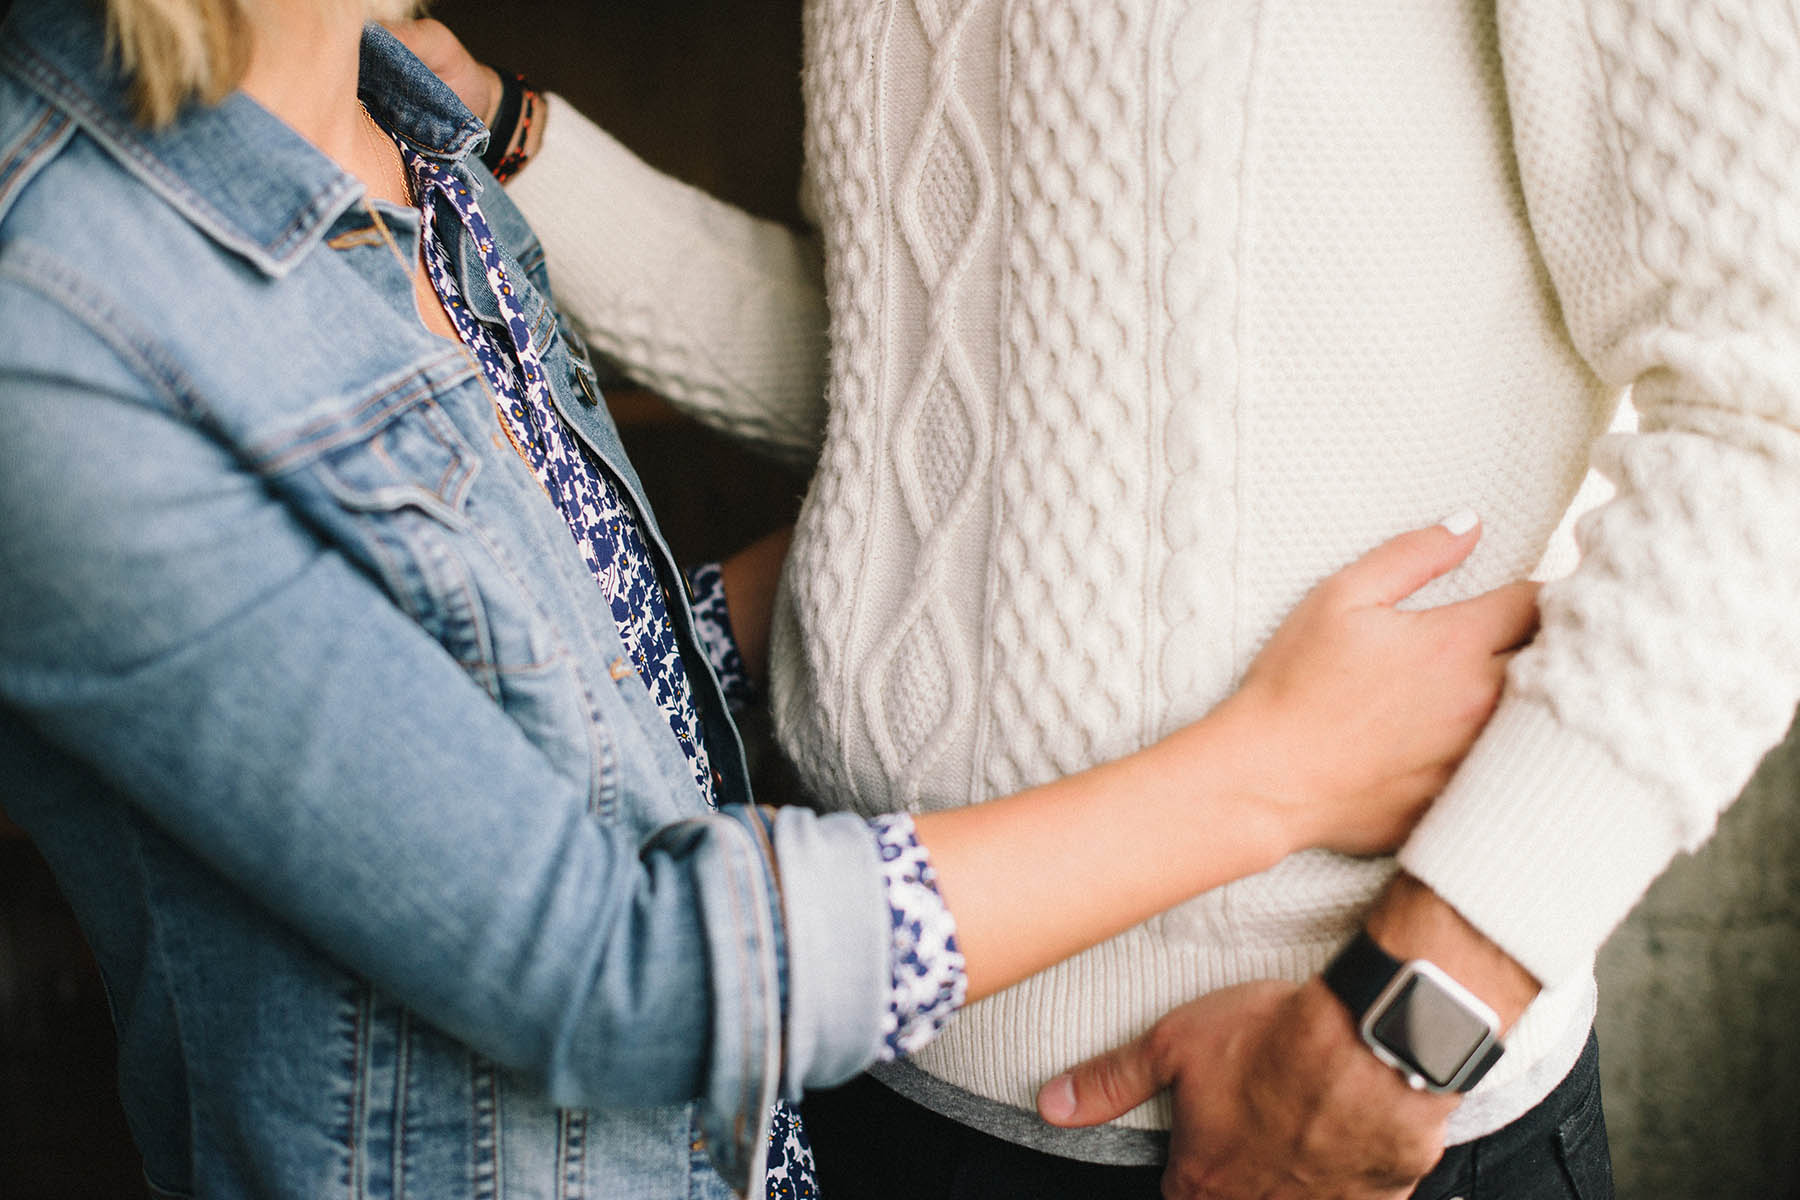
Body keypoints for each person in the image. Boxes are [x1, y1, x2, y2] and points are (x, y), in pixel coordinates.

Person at [0, 3, 1542, 1199]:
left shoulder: (402, 122)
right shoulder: (53, 312)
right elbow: (607, 963)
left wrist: (994, 543)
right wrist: (1266, 771)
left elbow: (598, 689)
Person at [403, 1, 1800, 1196]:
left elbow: (1768, 415)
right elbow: (929, 401)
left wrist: (1407, 1027)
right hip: (869, 1053)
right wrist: (510, 139)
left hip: (1308, 1106)